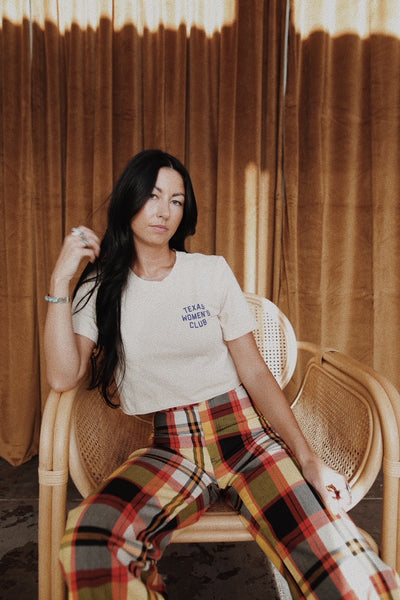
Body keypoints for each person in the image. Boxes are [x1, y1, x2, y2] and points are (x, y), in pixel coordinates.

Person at [44, 149, 400, 599]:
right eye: (153, 195)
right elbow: (63, 375)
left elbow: (253, 370)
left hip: (246, 437)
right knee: (91, 543)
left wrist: (308, 459)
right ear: (128, 199)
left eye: (176, 200)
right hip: (171, 448)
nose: (164, 210)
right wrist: (60, 282)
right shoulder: (99, 287)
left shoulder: (209, 273)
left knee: (339, 561)